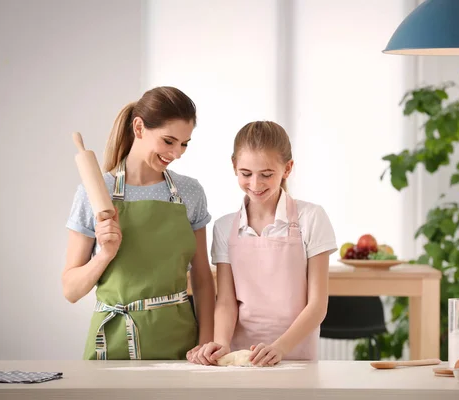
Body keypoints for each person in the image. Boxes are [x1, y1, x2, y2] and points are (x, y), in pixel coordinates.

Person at [62, 86, 215, 360]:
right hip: (111, 344)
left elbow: (202, 277)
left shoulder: (190, 192)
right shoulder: (95, 191)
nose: (177, 153)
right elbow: (71, 290)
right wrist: (104, 256)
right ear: (139, 127)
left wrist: (206, 344)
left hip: (180, 344)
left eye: (184, 144)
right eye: (169, 141)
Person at [188, 121, 337, 366]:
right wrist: (221, 343)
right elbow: (226, 300)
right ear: (234, 166)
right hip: (240, 356)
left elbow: (317, 304)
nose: (255, 185)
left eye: (266, 175)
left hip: (294, 353)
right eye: (246, 174)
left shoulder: (311, 218)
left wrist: (280, 347)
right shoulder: (225, 227)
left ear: (287, 169)